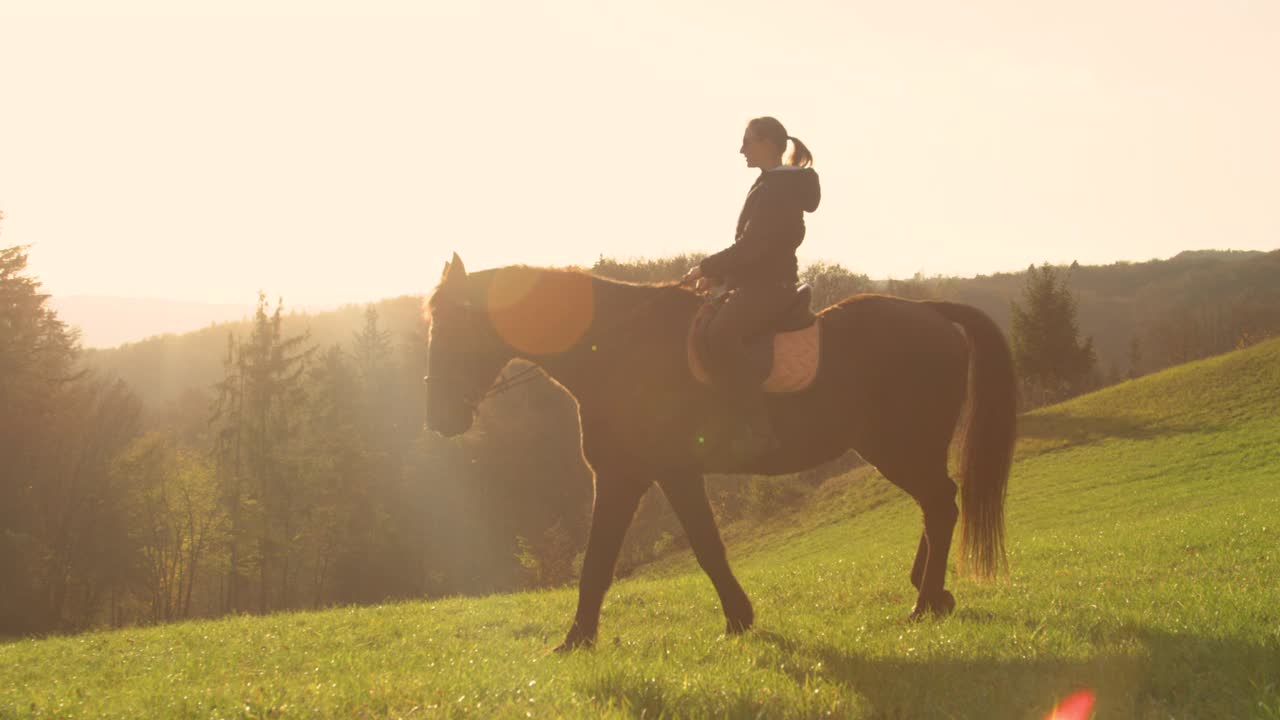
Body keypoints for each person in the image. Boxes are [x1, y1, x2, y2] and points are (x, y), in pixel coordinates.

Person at [682, 116, 821, 463]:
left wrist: (707, 267)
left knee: (721, 334)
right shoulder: (770, 183)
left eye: (747, 141)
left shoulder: (777, 189)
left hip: (770, 287)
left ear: (768, 144)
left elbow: (754, 246)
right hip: (756, 282)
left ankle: (758, 429)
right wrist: (720, 278)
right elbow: (756, 248)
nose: (741, 149)